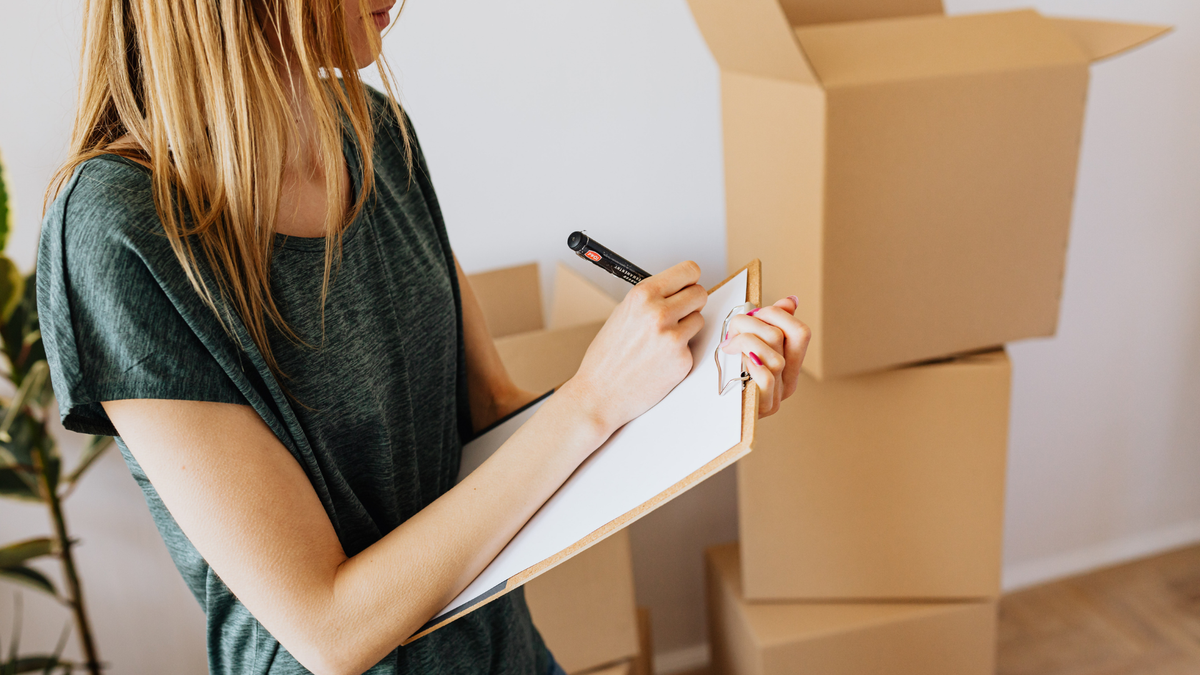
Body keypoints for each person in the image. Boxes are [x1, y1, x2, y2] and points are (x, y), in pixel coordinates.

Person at [36, 1, 811, 674]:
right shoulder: (118, 232)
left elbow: (494, 417)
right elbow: (328, 627)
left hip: (508, 652)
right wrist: (594, 398)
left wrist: (698, 389)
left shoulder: (376, 132)